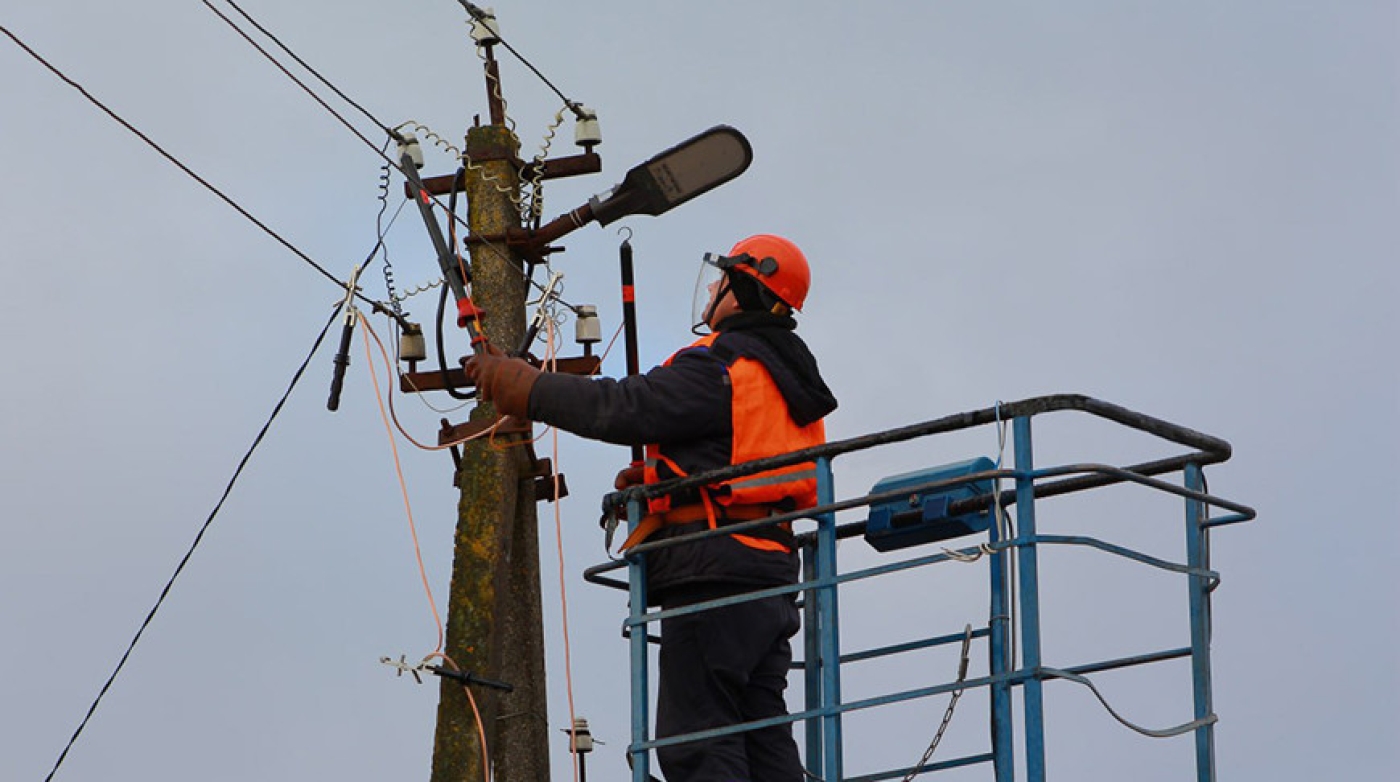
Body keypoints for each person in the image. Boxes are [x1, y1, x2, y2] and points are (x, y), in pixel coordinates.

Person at [466, 234, 838, 782]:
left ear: (745, 290)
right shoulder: (786, 377)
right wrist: (667, 480)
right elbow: (742, 457)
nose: (713, 287)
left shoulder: (722, 368)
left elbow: (622, 407)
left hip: (714, 573)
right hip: (770, 574)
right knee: (763, 738)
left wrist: (526, 387)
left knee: (697, 742)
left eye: (723, 278)